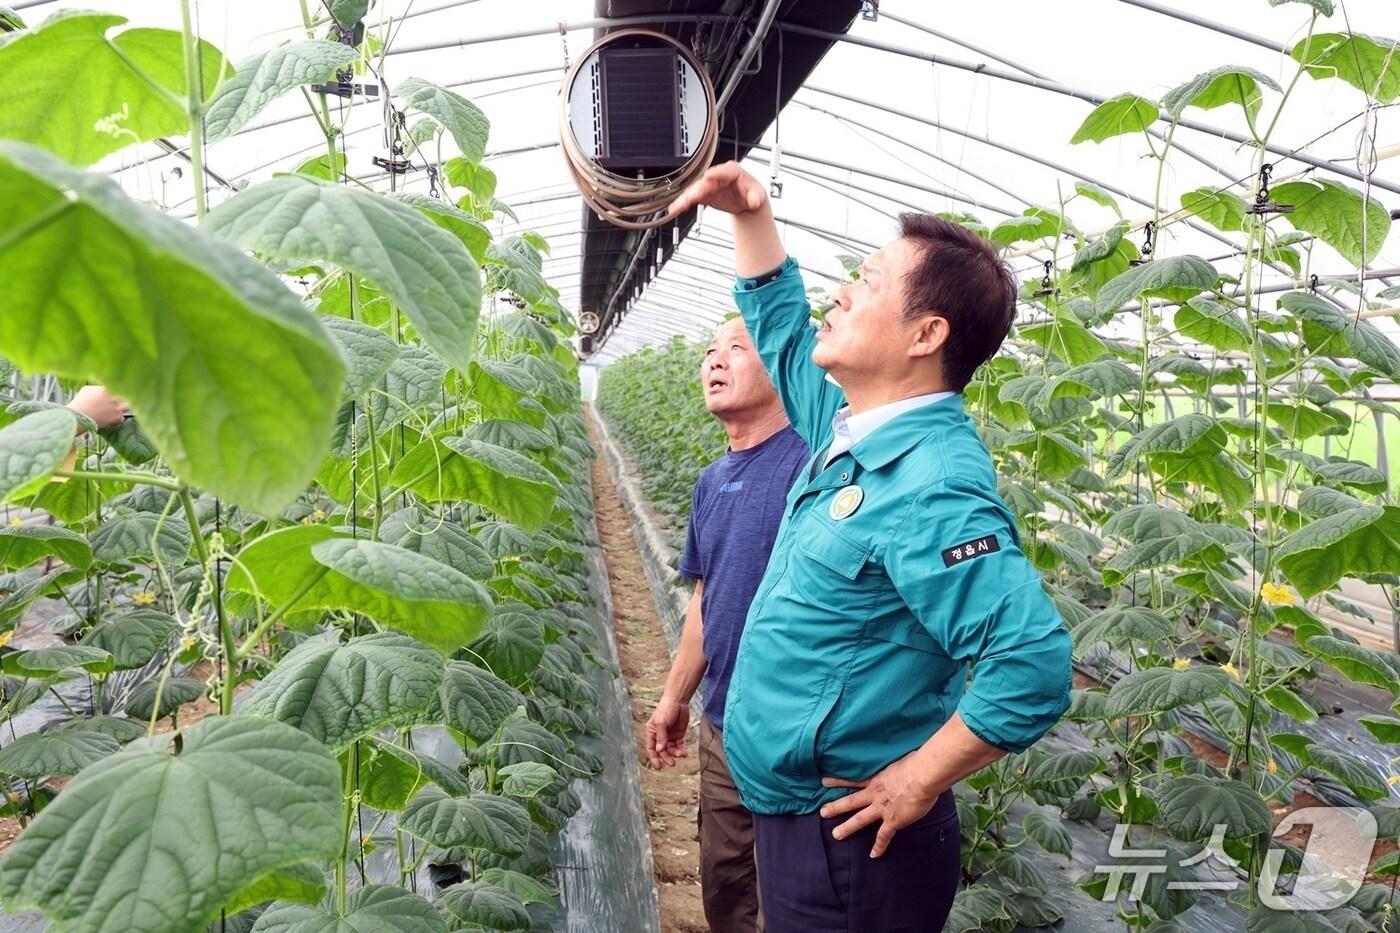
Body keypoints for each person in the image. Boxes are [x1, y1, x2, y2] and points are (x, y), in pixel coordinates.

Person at [667, 163, 1073, 932]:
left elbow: (1033, 661)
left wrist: (918, 777)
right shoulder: (853, 428)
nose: (842, 294)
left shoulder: (932, 485)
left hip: (851, 847)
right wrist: (750, 213)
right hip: (795, 816)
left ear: (927, 335)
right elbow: (784, 329)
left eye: (870, 281)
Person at [644, 316, 809, 933]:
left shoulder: (810, 465)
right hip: (722, 726)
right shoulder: (712, 482)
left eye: (738, 349)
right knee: (725, 888)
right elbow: (704, 603)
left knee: (788, 901)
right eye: (710, 351)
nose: (715, 361)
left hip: (798, 736)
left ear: (783, 369)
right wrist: (673, 697)